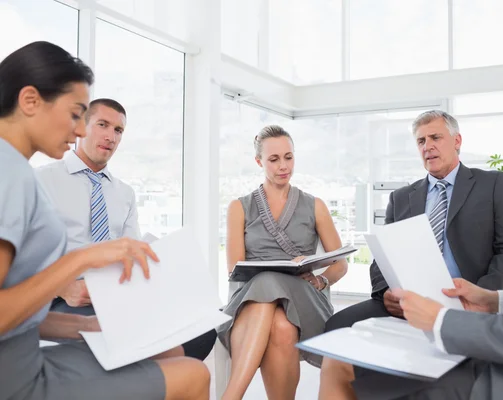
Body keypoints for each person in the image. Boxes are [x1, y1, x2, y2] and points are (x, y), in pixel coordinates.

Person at [320, 23, 503, 400]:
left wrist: (444, 319)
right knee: (337, 349)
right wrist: (495, 300)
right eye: (420, 141)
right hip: (474, 320)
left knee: (342, 367)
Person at [0, 41, 209, 400]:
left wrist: (89, 326)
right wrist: (79, 260)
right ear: (30, 100)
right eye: (76, 113)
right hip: (17, 378)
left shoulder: (12, 167)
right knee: (194, 374)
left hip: (28, 346)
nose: (81, 131)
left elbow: (18, 317)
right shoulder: (14, 174)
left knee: (172, 351)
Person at [320, 109, 503, 391]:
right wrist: (387, 293)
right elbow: (382, 256)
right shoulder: (401, 197)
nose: (427, 146)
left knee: (445, 368)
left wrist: (482, 297)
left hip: (466, 298)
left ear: (457, 141)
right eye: (420, 141)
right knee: (337, 326)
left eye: (435, 137)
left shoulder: (492, 184)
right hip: (407, 300)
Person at [36, 98, 216, 360]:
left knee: (202, 330)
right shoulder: (42, 181)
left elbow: (131, 253)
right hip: (66, 299)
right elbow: (21, 259)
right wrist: (62, 288)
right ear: (82, 127)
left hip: (118, 295)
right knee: (120, 338)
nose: (110, 136)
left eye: (118, 130)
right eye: (102, 125)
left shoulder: (124, 193)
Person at [217, 125, 349, 400]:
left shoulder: (315, 206)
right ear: (259, 162)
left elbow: (340, 264)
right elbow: (235, 270)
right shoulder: (239, 207)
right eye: (274, 159)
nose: (283, 166)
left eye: (288, 157)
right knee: (280, 323)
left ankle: (230, 396)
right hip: (251, 301)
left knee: (270, 282)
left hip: (305, 298)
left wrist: (320, 277)